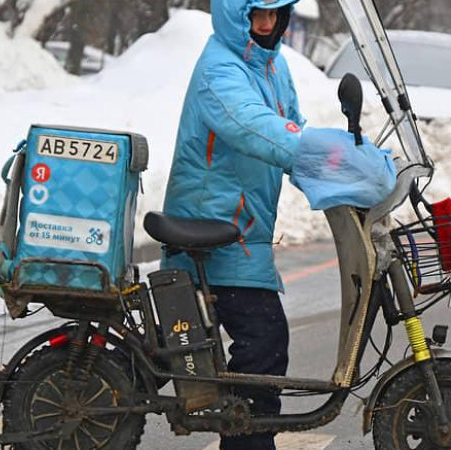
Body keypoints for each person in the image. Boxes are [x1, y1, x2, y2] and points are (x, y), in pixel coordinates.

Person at [161, 1, 306, 449]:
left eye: (275, 14)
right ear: (233, 15)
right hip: (217, 228)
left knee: (251, 343)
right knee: (262, 340)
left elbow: (292, 128)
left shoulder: (272, 67)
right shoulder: (220, 70)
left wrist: (342, 166)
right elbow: (254, 127)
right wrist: (314, 153)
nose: (265, 25)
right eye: (255, 15)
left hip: (243, 231)